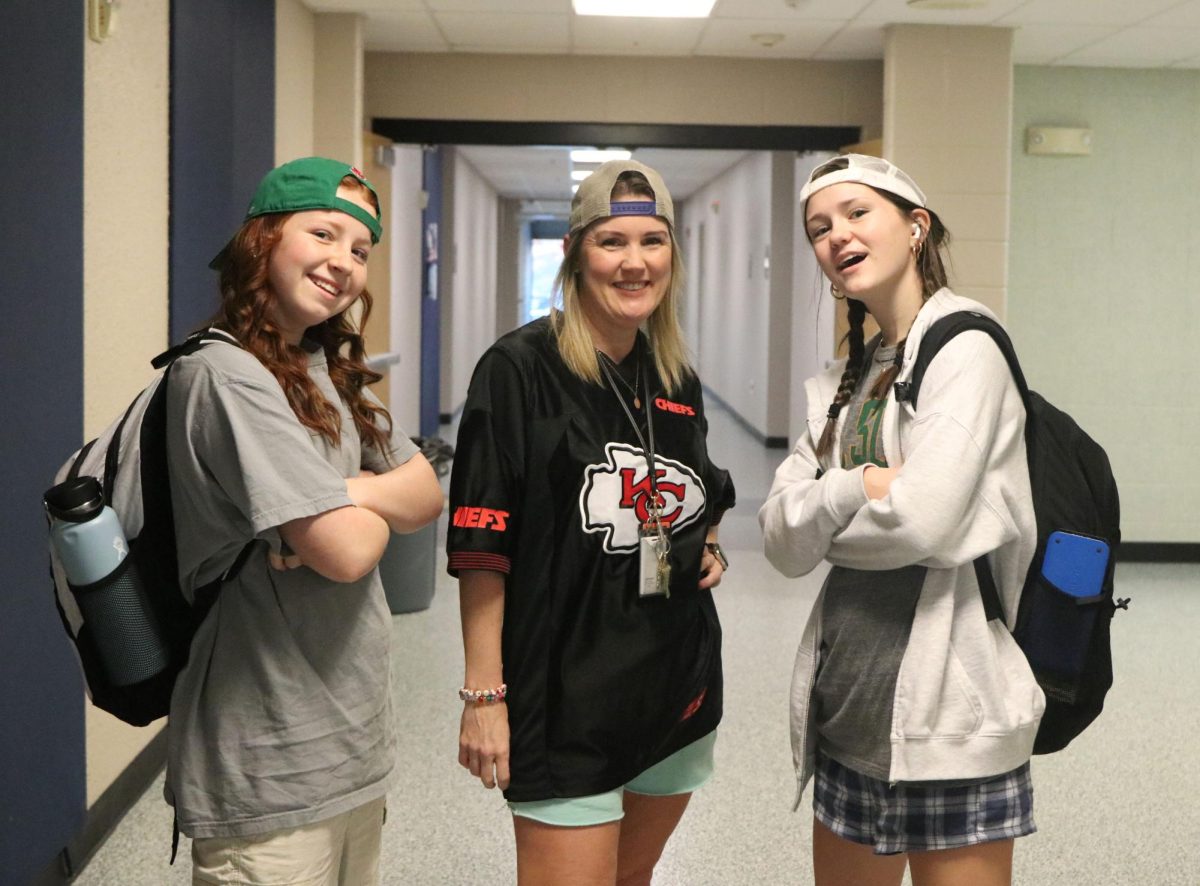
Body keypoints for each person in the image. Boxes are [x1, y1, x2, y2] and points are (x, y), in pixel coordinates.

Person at [447, 159, 736, 886]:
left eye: (652, 241)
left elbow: (701, 489)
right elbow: (483, 546)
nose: (634, 262)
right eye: (612, 242)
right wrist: (485, 696)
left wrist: (712, 545)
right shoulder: (517, 370)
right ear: (576, 253)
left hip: (674, 682)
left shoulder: (673, 375)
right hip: (565, 692)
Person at [758, 154, 1042, 886]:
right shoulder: (849, 377)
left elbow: (923, 523)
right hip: (848, 704)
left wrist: (824, 512)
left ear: (916, 228)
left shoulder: (966, 350)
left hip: (950, 717)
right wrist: (856, 486)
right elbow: (781, 542)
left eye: (857, 214)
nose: (837, 236)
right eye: (819, 228)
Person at [164, 156, 444, 885]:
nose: (343, 262)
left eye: (359, 250)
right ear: (264, 239)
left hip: (351, 748)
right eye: (323, 233)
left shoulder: (326, 367)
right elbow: (350, 553)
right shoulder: (223, 376)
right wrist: (359, 503)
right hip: (268, 763)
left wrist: (334, 494)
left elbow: (424, 496)